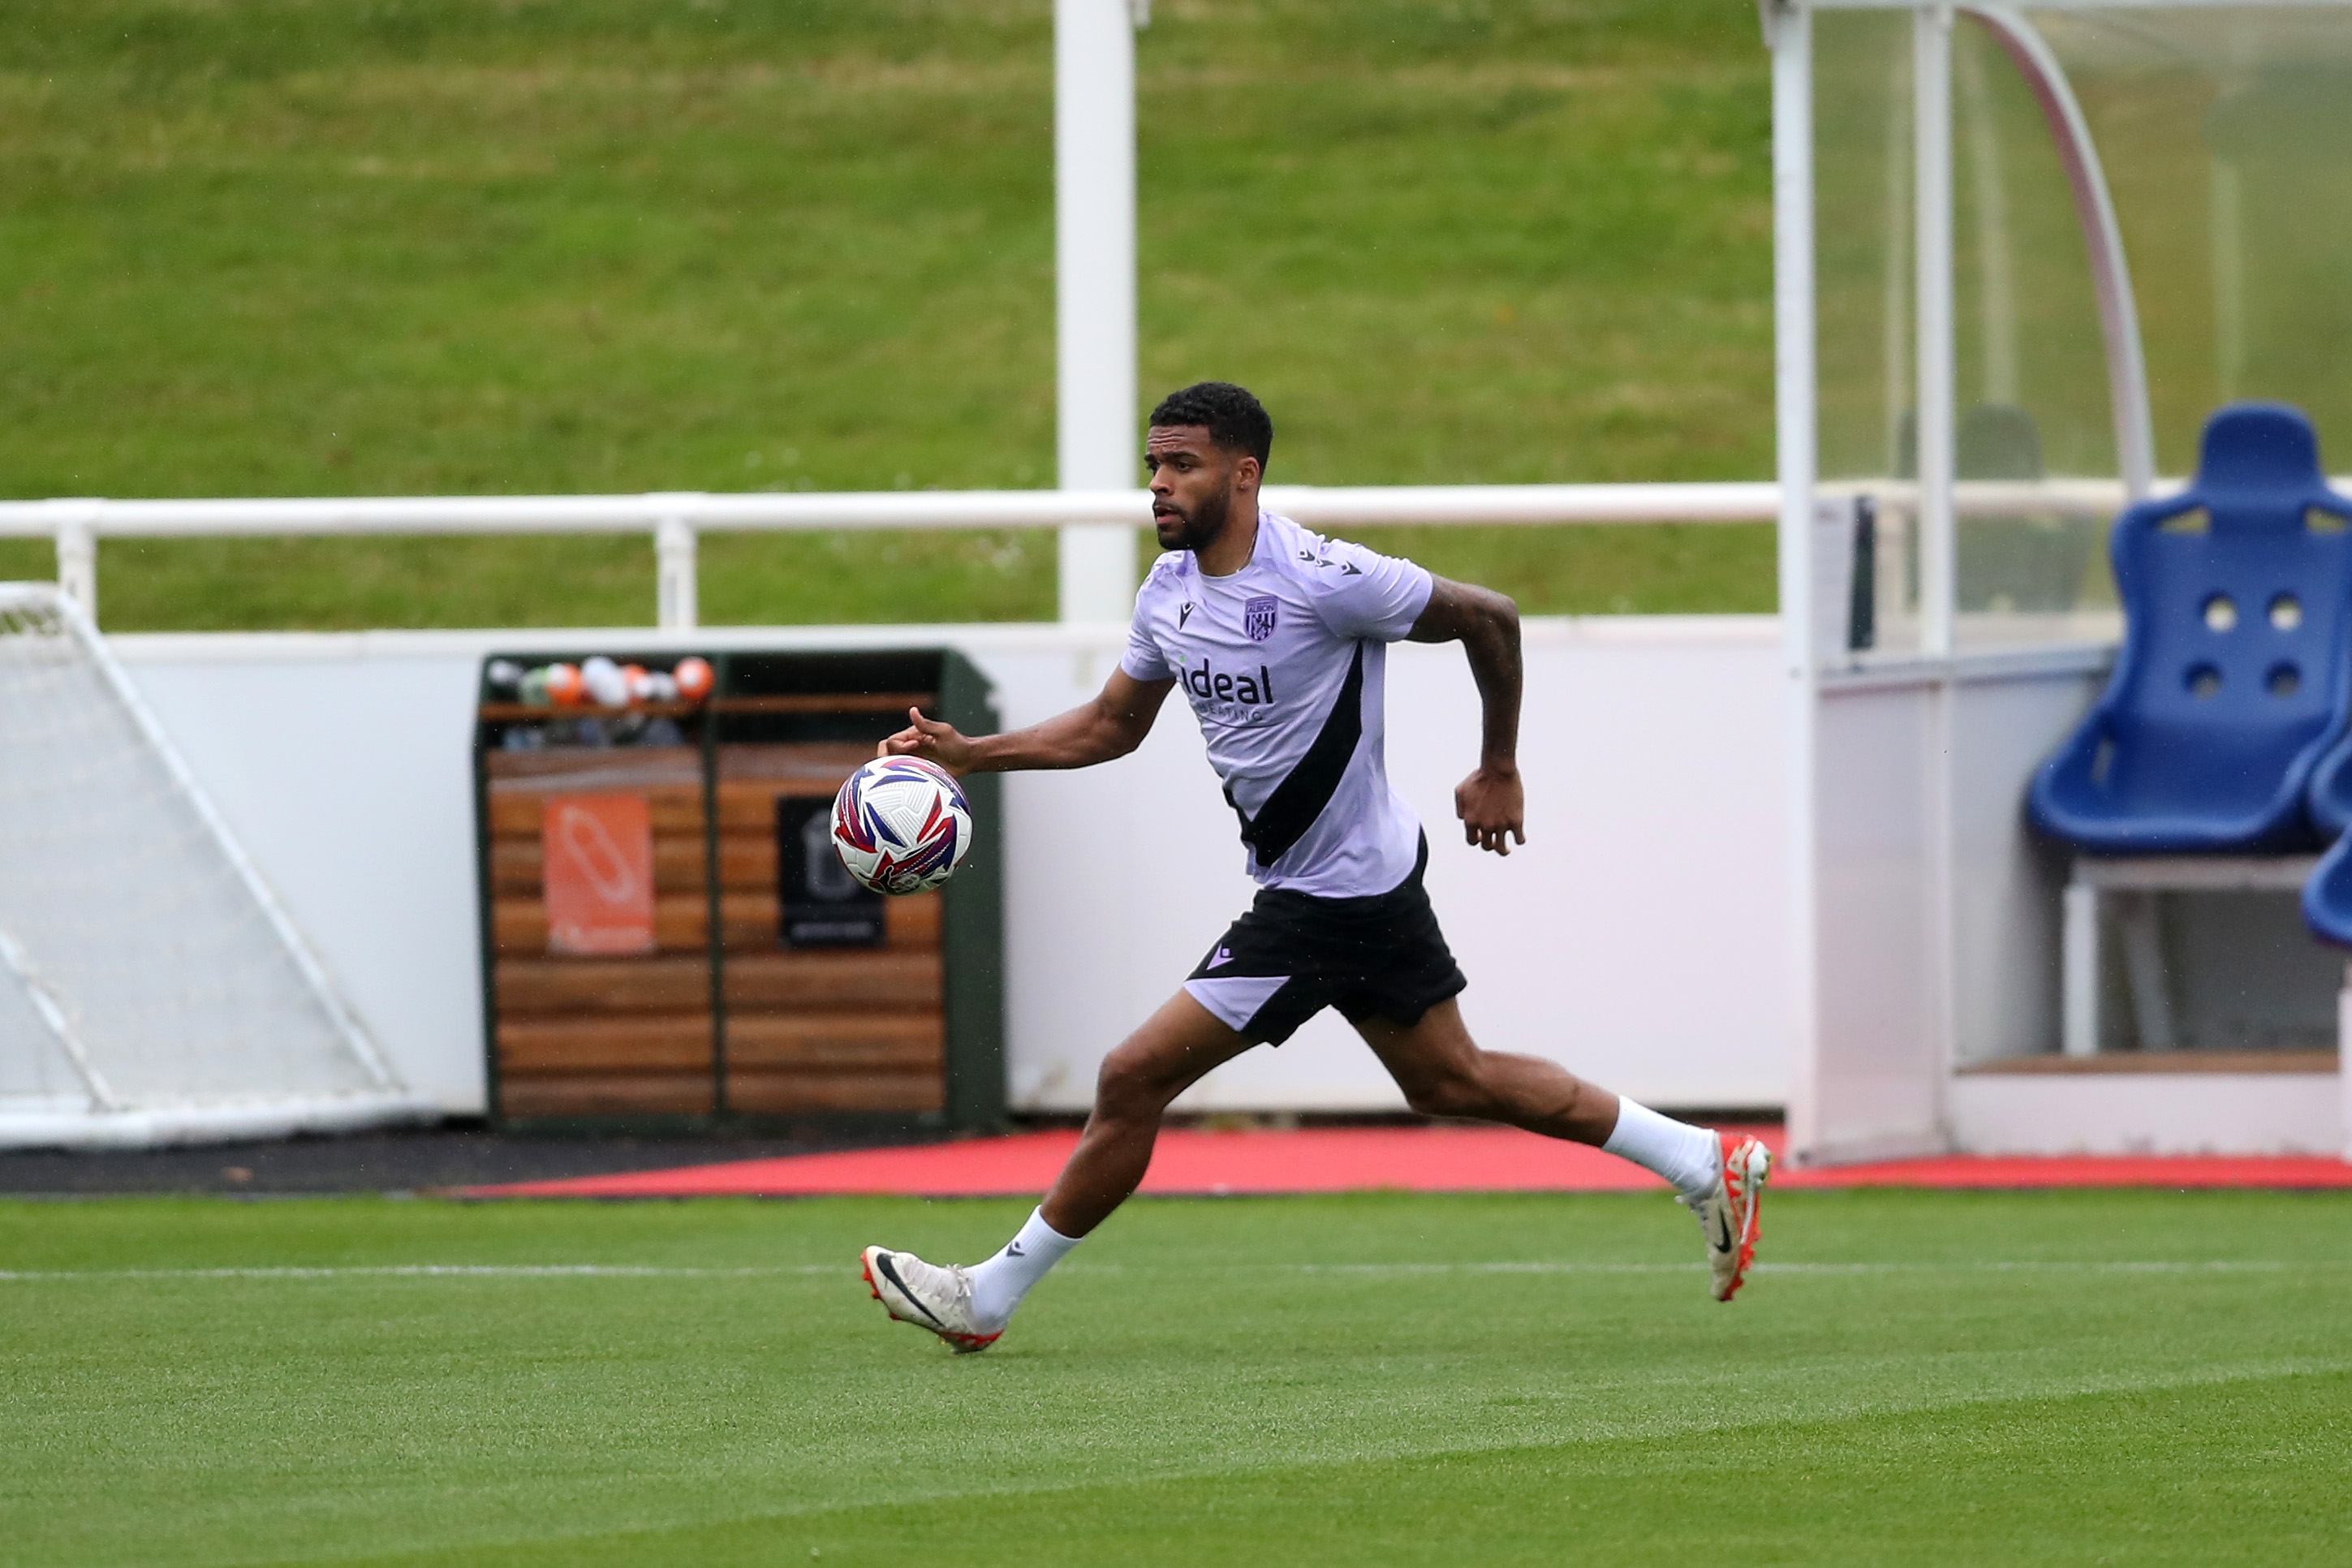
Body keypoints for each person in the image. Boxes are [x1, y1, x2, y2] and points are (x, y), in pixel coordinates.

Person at [860, 381, 1768, 1353]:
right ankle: (1699, 1161)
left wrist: (1498, 764)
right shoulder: (1167, 593)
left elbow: (1490, 616)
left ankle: (985, 1299)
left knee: (1131, 1076)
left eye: (1183, 466)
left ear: (1244, 475)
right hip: (1352, 880)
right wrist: (971, 754)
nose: (1159, 488)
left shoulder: (1324, 577)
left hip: (1329, 900)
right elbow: (1110, 727)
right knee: (1452, 1080)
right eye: (1153, 468)